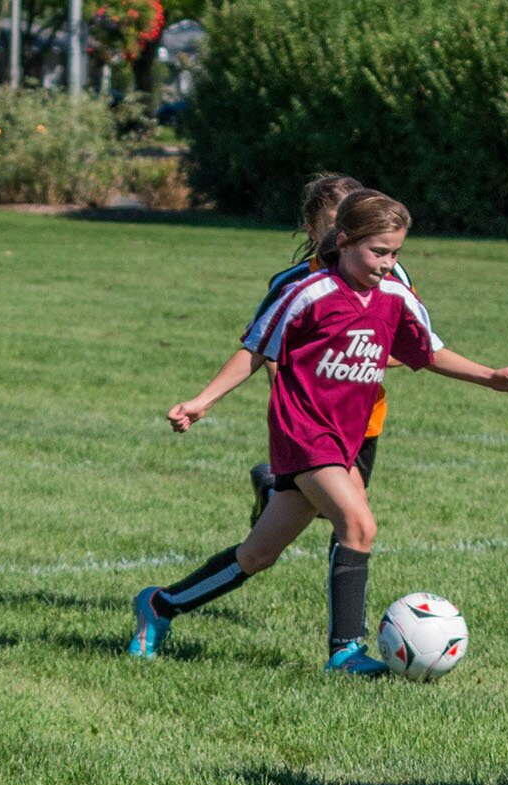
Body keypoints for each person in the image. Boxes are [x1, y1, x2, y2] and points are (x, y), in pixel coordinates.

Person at [132, 190, 508, 673]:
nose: (387, 263)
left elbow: (426, 353)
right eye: (378, 251)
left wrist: (491, 376)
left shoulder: (394, 298)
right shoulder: (309, 293)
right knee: (358, 524)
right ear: (342, 241)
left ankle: (160, 605)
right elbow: (256, 347)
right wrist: (203, 401)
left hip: (345, 437)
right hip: (303, 430)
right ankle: (345, 651)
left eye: (395, 253)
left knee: (258, 554)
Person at [167, 174, 406, 524]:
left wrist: (356, 353)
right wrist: (208, 399)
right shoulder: (293, 283)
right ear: (312, 230)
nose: (342, 233)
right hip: (308, 419)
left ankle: (268, 488)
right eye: (331, 224)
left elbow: (413, 345)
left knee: (328, 513)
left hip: (362, 415)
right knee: (353, 518)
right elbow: (262, 346)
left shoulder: (390, 276)